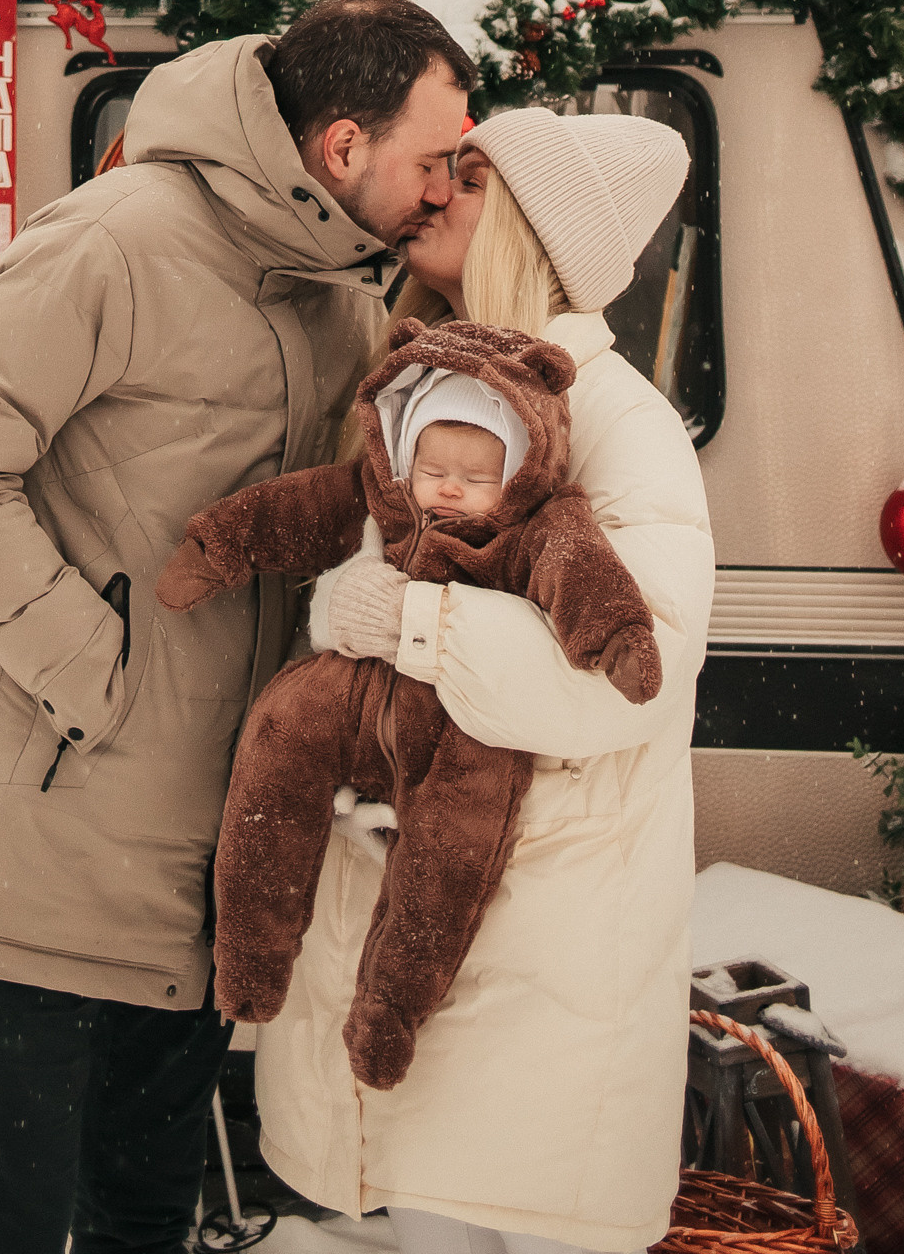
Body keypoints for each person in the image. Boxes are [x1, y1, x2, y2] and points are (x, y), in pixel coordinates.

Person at [0, 0, 474, 1254]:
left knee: (146, 1223)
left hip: (209, 869)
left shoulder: (334, 298)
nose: (442, 186)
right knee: (15, 1236)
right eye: (432, 159)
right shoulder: (114, 243)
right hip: (54, 849)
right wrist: (95, 677)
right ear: (343, 148)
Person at [251, 104, 714, 1254]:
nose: (433, 194)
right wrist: (353, 613)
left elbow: (627, 675)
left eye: (468, 181)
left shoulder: (616, 422)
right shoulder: (429, 392)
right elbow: (369, 594)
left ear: (528, 229)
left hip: (549, 957)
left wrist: (410, 626)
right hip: (439, 943)